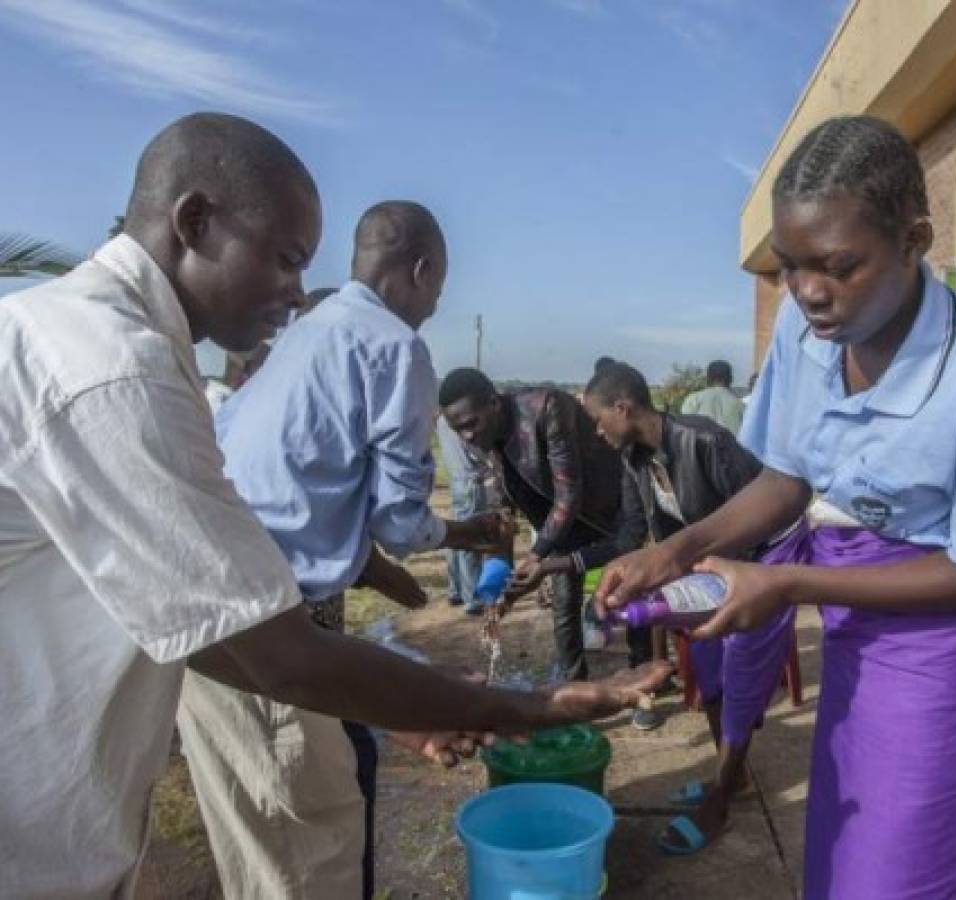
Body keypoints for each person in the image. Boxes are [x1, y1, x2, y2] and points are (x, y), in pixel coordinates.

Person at [0, 112, 668, 900]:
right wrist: (524, 704)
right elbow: (277, 644)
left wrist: (400, 690)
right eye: (285, 261)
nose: (294, 293)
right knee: (307, 863)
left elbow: (200, 618)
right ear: (194, 221)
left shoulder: (102, 337)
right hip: (50, 819)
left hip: (205, 666)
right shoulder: (116, 373)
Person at [595, 115, 956, 898]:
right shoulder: (807, 341)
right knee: (844, 861)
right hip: (856, 646)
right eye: (789, 268)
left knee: (913, 872)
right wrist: (676, 551)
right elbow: (787, 480)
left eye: (839, 265)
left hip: (951, 660)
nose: (808, 291)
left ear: (915, 238)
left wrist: (791, 585)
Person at [176, 201, 516, 898]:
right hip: (269, 633)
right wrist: (460, 534)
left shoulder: (298, 337)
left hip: (226, 626)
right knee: (307, 857)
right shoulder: (392, 346)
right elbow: (399, 521)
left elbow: (293, 491)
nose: (432, 308)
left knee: (294, 830)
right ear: (422, 272)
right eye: (438, 290)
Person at [582, 362, 799, 852]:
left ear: (624, 407)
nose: (597, 432)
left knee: (740, 678)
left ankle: (719, 801)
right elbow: (633, 533)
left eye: (599, 420)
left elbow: (766, 512)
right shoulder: (636, 461)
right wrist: (610, 575)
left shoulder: (706, 441)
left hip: (757, 569)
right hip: (703, 578)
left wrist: (726, 578)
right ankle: (734, 777)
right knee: (708, 673)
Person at [439, 368, 627, 684]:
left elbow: (569, 493)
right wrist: (501, 583)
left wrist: (537, 554)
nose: (468, 436)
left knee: (626, 594)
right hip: (561, 527)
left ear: (494, 403)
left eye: (471, 424)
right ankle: (574, 684)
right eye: (459, 430)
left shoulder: (546, 407)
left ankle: (645, 674)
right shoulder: (484, 437)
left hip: (608, 513)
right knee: (564, 606)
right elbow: (504, 509)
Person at [437, 413, 498, 613]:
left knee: (455, 536)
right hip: (472, 482)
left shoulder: (441, 420)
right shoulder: (460, 421)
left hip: (457, 482)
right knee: (471, 538)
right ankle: (472, 598)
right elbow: (476, 451)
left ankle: (455, 591)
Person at [680, 359, 743, 434]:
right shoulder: (741, 406)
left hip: (699, 445)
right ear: (731, 379)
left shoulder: (693, 400)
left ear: (707, 378)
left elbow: (683, 428)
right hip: (731, 445)